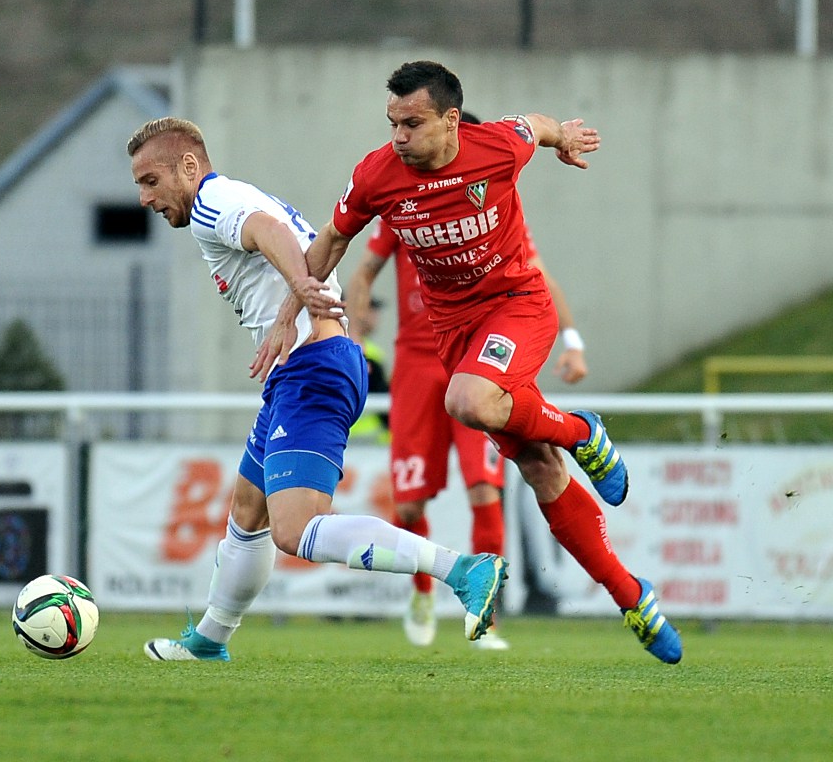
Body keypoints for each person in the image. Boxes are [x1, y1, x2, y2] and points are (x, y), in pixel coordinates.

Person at [255, 61, 682, 664]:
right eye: (392, 123)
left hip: (517, 307)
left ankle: (581, 431)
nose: (398, 136)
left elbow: (536, 125)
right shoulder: (377, 175)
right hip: (455, 336)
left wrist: (564, 137)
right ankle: (630, 595)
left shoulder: (496, 147)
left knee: (468, 400)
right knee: (538, 466)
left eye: (412, 123)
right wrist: (288, 310)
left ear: (452, 120)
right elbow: (331, 241)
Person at [127, 116, 508, 661]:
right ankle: (210, 639)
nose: (144, 197)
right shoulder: (226, 198)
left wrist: (300, 288)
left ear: (188, 166)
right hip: (302, 371)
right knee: (248, 509)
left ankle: (463, 570)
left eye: (151, 181)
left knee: (295, 529)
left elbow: (266, 229)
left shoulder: (213, 201)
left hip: (313, 369)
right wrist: (297, 296)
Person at [347, 188, 588, 651]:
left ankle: (485, 618)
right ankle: (422, 592)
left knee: (484, 490)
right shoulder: (403, 204)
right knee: (409, 506)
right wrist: (353, 339)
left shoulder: (493, 203)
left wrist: (572, 341)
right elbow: (363, 272)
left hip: (473, 360)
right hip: (417, 365)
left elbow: (537, 272)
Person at [347, 296, 391, 442]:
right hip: (367, 438)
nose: (376, 316)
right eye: (371, 309)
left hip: (342, 435)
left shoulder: (371, 350)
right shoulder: (369, 354)